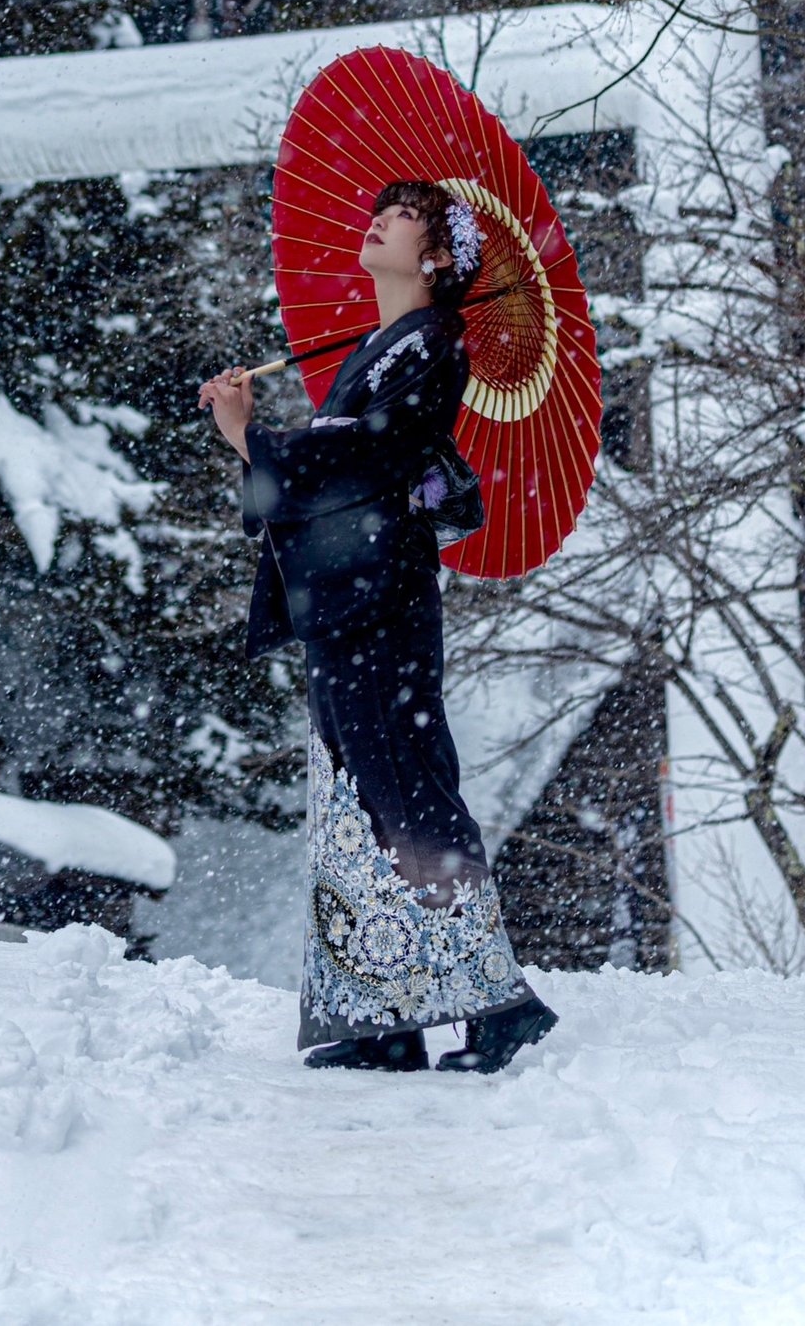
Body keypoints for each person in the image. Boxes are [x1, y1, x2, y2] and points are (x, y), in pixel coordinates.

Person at [199, 179, 556, 1075]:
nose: (377, 221)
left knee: (403, 783)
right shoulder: (377, 347)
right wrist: (257, 437)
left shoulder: (435, 343)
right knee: (354, 795)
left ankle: (497, 1005)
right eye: (380, 211)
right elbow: (345, 455)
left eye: (401, 218)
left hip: (381, 597)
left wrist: (252, 441)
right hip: (348, 596)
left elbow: (371, 455)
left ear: (434, 259)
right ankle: (381, 1014)